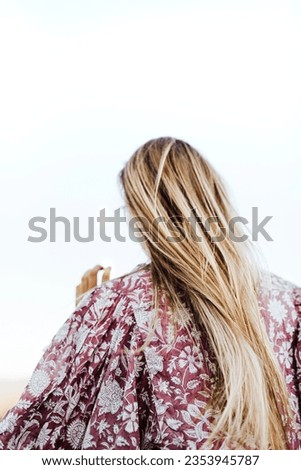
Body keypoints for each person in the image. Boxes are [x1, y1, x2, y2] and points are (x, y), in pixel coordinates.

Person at [0, 137, 300, 450]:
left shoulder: (116, 305)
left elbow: (32, 436)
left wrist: (90, 330)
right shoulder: (291, 305)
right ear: (216, 198)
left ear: (140, 213)